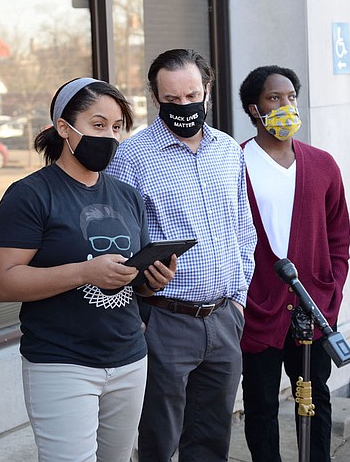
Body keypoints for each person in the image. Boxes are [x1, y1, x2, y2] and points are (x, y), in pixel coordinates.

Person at [0, 77, 176, 462]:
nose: (109, 135)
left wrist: (149, 282)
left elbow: (128, 278)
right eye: (98, 124)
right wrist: (84, 273)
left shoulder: (127, 194)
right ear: (63, 128)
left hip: (128, 359)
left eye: (117, 127)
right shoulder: (30, 195)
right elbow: (2, 283)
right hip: (61, 363)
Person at [106, 48, 257, 461]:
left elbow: (243, 230)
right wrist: (137, 311)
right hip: (165, 321)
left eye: (192, 96)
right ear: (155, 98)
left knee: (211, 440)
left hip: (224, 319)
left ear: (207, 90)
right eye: (172, 100)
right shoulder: (130, 158)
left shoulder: (228, 150)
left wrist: (239, 301)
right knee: (158, 439)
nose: (184, 106)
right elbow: (116, 244)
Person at [237, 65, 350, 462]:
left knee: (314, 399)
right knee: (261, 403)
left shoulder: (322, 165)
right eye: (274, 99)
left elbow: (339, 235)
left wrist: (331, 287)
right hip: (259, 308)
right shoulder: (235, 164)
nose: (287, 106)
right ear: (254, 108)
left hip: (313, 306)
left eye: (291, 98)